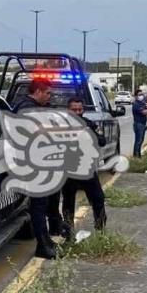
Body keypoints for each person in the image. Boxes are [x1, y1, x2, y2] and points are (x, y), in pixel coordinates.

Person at [13, 79, 68, 259]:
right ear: (38, 91)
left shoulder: (31, 107)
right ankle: (42, 245)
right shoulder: (26, 109)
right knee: (38, 205)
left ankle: (46, 240)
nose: (50, 97)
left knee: (43, 204)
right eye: (48, 93)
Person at [61, 98, 107, 230]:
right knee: (68, 203)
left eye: (79, 109)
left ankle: (100, 229)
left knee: (98, 199)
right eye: (73, 110)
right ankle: (69, 232)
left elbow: (102, 141)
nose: (77, 112)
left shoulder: (89, 124)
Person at [131, 89, 147, 157]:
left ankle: (137, 154)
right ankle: (136, 155)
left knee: (140, 140)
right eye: (139, 95)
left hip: (142, 124)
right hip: (139, 124)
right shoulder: (136, 104)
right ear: (136, 96)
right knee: (138, 141)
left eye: (142, 94)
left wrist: (146, 111)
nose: (141, 96)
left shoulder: (142, 103)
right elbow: (144, 112)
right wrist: (146, 111)